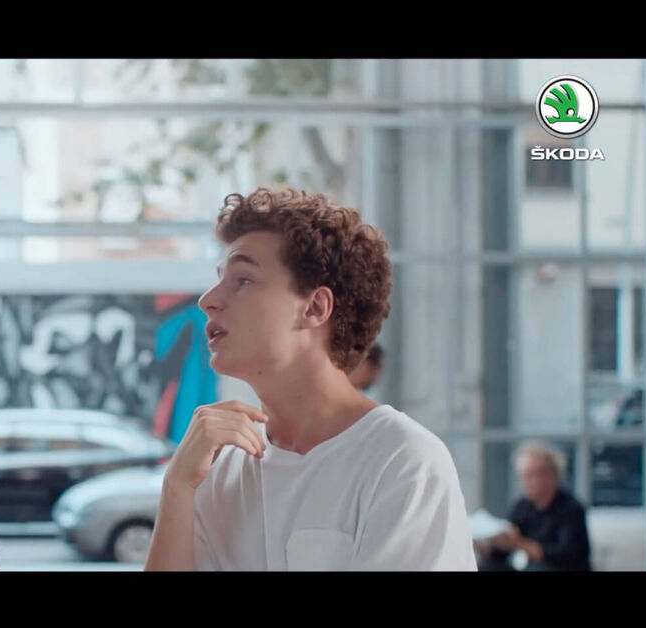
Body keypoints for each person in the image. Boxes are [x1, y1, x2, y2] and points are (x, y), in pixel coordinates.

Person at [144, 188, 476, 571]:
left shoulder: (403, 460)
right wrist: (177, 484)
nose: (207, 300)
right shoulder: (221, 469)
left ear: (315, 307)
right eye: (219, 279)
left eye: (243, 280)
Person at [474, 441, 590, 571]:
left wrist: (519, 543)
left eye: (530, 476)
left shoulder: (571, 509)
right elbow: (503, 549)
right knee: (487, 566)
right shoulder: (522, 507)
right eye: (522, 477)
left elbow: (564, 556)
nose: (526, 483)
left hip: (559, 568)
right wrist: (485, 544)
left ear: (550, 474)